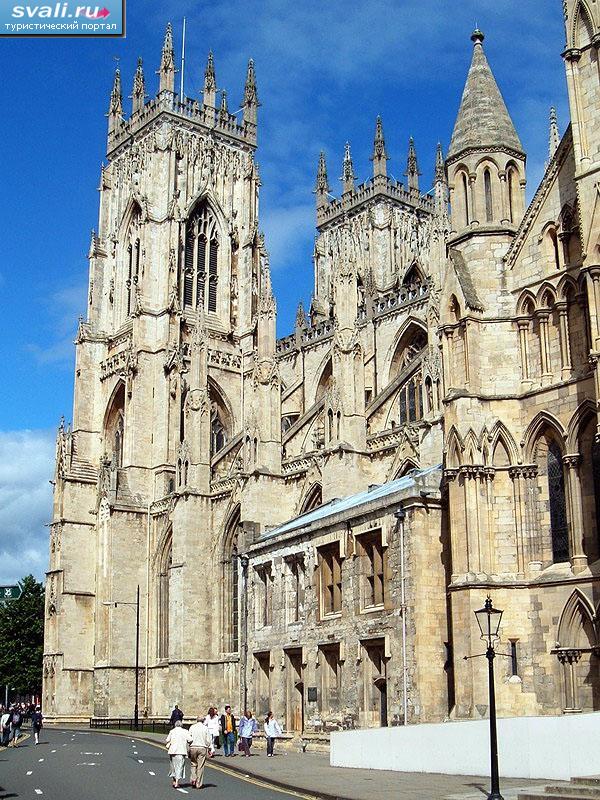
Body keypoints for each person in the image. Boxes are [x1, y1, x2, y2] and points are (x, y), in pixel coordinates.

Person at [188, 715, 213, 789]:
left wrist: (189, 746)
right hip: (202, 748)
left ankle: (193, 778)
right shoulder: (205, 728)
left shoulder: (192, 727)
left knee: (193, 764)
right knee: (200, 766)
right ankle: (198, 783)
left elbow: (189, 738)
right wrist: (209, 749)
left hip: (193, 747)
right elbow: (208, 740)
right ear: (203, 721)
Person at [165, 719, 191, 789]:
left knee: (173, 767)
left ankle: (174, 781)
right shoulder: (185, 731)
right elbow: (190, 739)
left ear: (175, 725)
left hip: (172, 751)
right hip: (181, 751)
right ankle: (177, 782)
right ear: (181, 725)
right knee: (179, 766)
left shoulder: (172, 731)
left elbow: (167, 740)